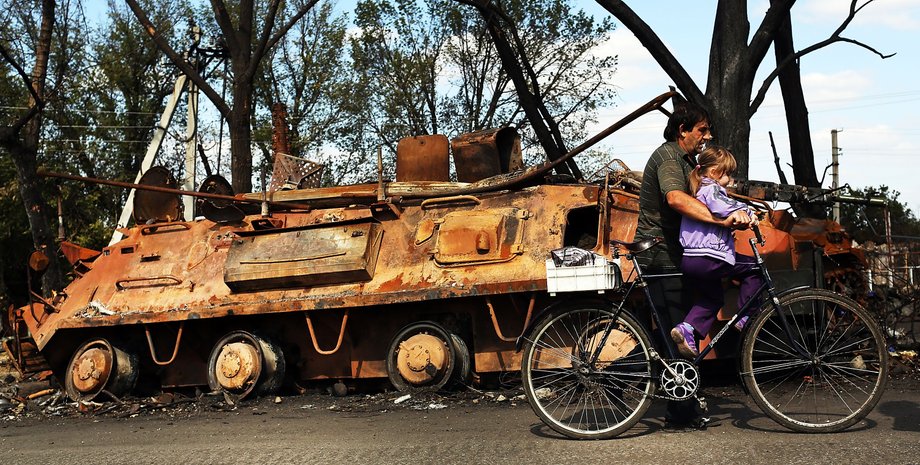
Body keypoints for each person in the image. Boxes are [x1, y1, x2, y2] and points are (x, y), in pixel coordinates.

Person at [634, 100, 754, 427]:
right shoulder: (669, 157)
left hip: (680, 253)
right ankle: (680, 413)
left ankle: (668, 396)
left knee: (682, 329)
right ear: (682, 130)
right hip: (660, 254)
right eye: (702, 129)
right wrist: (721, 220)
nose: (708, 135)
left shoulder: (690, 162)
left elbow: (716, 190)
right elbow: (676, 198)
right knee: (677, 332)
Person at [670, 146, 763, 359]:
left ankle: (687, 329)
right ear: (714, 173)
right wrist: (747, 211)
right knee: (754, 268)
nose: (730, 179)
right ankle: (746, 316)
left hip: (691, 259)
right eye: (728, 174)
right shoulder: (710, 189)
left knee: (712, 298)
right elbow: (722, 206)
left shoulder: (695, 191)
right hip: (710, 257)